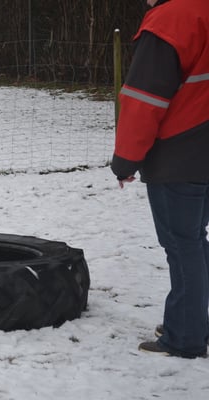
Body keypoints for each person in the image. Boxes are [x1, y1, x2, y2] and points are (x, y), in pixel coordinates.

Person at [111, 0, 209, 358]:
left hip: (178, 152)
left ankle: (185, 336)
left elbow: (144, 99)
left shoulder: (169, 21)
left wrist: (125, 160)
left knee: (182, 244)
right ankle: (193, 322)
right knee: (194, 240)